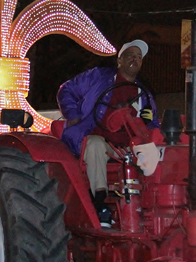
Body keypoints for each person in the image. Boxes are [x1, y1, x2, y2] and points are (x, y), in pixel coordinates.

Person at [57, 39, 161, 227]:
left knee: (157, 154)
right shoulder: (98, 76)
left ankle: (152, 208)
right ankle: (100, 202)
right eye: (130, 55)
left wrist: (151, 128)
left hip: (129, 148)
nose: (135, 59)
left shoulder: (143, 93)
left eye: (139, 57)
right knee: (96, 143)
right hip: (101, 142)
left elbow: (152, 124)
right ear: (119, 60)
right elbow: (67, 89)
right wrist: (72, 115)